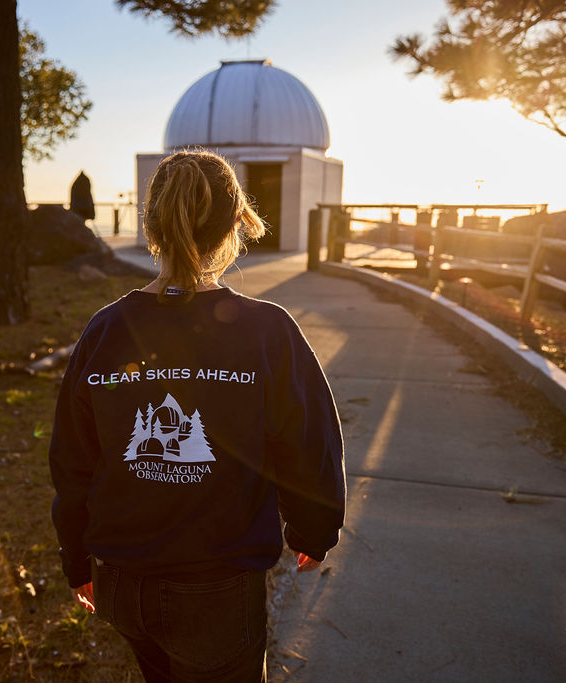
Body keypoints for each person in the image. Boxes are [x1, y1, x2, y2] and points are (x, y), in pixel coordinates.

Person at [49, 149, 346, 682]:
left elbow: (73, 459)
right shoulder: (267, 331)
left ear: (152, 223)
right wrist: (314, 529)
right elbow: (308, 441)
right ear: (237, 223)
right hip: (216, 589)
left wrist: (77, 559)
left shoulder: (105, 329)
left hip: (121, 580)